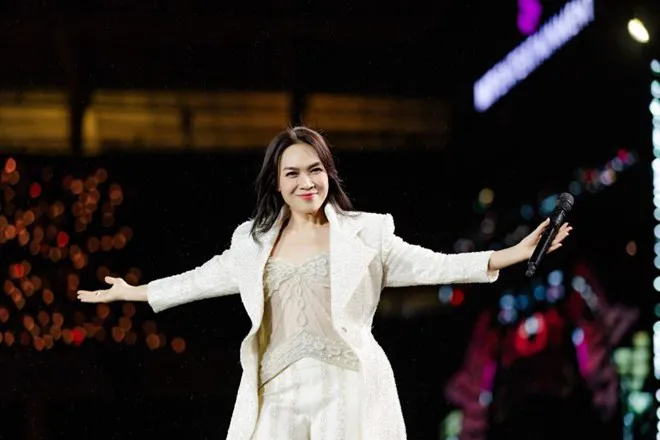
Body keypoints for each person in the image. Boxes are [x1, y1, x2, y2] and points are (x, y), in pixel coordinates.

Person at [77, 126, 571, 440]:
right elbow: (202, 279)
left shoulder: (365, 234)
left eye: (315, 170)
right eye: (292, 173)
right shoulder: (251, 243)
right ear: (277, 183)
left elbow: (434, 265)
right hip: (277, 390)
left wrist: (513, 253)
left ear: (328, 174)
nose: (305, 182)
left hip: (344, 385)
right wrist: (135, 292)